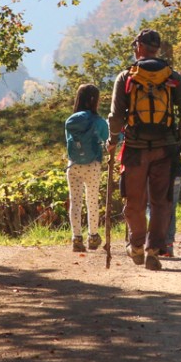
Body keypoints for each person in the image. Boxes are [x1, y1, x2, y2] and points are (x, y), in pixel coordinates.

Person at [108, 28, 181, 271]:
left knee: (134, 201)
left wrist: (113, 139)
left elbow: (115, 117)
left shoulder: (126, 77)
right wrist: (176, 138)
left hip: (134, 149)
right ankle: (153, 250)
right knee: (161, 202)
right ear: (157, 48)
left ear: (139, 48)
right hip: (165, 149)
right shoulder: (172, 76)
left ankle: (136, 245)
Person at [64, 83, 110, 253]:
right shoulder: (98, 121)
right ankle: (93, 236)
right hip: (92, 165)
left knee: (75, 202)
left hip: (73, 165)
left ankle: (76, 238)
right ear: (94, 100)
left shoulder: (71, 121)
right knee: (92, 201)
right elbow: (108, 138)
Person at [153, 135, 181, 259]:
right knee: (170, 209)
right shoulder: (178, 130)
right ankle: (168, 246)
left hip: (154, 175)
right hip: (174, 174)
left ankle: (153, 244)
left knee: (152, 208)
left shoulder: (150, 127)